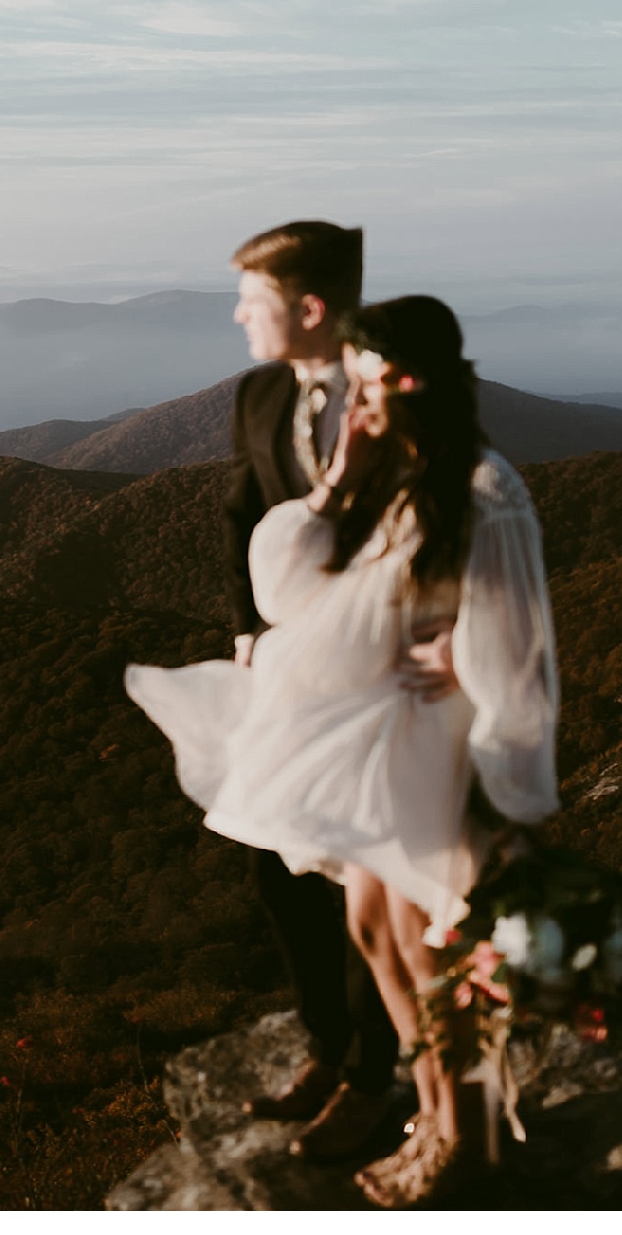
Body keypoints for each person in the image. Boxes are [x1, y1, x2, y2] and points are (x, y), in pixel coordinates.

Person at [127, 294, 559, 1209]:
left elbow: (516, 653)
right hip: (376, 746)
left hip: (439, 752)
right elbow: (282, 589)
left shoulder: (482, 489)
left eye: (365, 390)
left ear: (411, 385)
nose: (350, 410)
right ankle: (436, 1116)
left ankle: (464, 1136)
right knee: (373, 933)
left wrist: (508, 792)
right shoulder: (389, 474)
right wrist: (336, 481)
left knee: (429, 952)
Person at [191, 223, 454, 1166]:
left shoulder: (397, 384)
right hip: (294, 671)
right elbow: (240, 514)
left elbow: (446, 524)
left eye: (250, 302)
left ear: (307, 309)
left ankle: (376, 1081)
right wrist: (249, 637)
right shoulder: (261, 393)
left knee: (371, 884)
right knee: (277, 864)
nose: (237, 318)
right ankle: (332, 1046)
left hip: (390, 675)